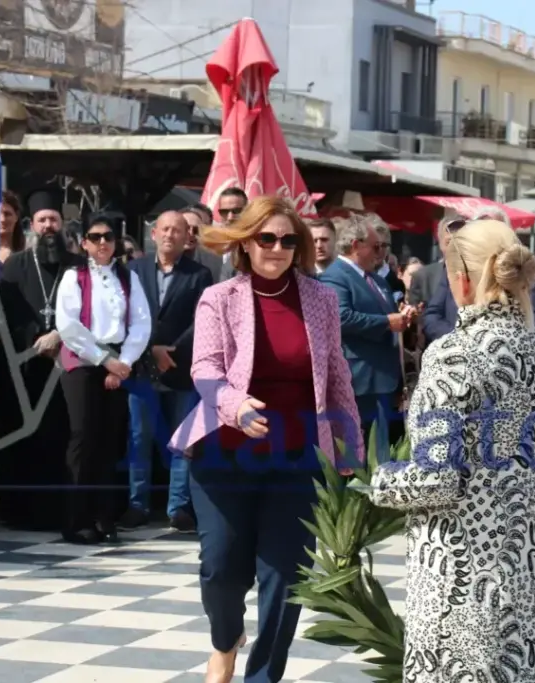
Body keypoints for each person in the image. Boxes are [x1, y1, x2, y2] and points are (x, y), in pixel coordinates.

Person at [368, 219, 535, 683]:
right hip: (529, 571)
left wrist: (381, 479)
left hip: (461, 577)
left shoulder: (453, 354)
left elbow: (436, 478)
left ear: (462, 279)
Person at [168, 195, 362, 683]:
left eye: (288, 240)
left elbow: (336, 374)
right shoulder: (220, 297)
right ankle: (225, 639)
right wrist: (234, 404)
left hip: (296, 459)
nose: (277, 248)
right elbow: (204, 368)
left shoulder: (321, 299)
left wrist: (350, 447)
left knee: (286, 579)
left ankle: (263, 677)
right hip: (223, 456)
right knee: (221, 569)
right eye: (266, 238)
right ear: (246, 243)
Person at [56, 214, 151, 544]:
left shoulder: (128, 277)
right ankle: (76, 520)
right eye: (95, 237)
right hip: (83, 361)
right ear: (84, 243)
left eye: (108, 237)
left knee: (111, 440)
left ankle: (104, 516)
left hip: (118, 362)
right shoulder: (74, 276)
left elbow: (141, 323)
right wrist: (105, 360)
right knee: (83, 438)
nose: (102, 242)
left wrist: (123, 362)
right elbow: (68, 326)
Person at [0, 189, 80, 530]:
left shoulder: (78, 265)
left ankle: (57, 510)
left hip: (66, 366)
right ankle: (16, 512)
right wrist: (34, 340)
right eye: (42, 220)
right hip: (23, 367)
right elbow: (5, 314)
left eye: (53, 220)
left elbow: (87, 312)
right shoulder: (15, 265)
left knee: (59, 437)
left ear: (62, 224)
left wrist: (60, 335)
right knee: (20, 437)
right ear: (32, 225)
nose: (48, 226)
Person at [124, 211, 213, 532]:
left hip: (181, 367)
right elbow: (125, 315)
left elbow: (202, 320)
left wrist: (171, 351)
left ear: (187, 236)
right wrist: (152, 350)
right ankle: (137, 504)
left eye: (177, 230)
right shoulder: (134, 270)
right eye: (165, 229)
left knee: (182, 440)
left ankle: (178, 507)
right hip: (141, 367)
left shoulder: (200, 274)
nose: (170, 235)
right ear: (154, 234)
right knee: (139, 438)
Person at [321, 215, 413, 445]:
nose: (380, 253)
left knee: (382, 451)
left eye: (383, 246)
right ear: (356, 245)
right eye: (375, 246)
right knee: (361, 452)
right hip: (359, 382)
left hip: (385, 381)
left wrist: (403, 316)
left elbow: (388, 316)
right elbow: (340, 317)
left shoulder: (377, 280)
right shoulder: (335, 276)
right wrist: (387, 322)